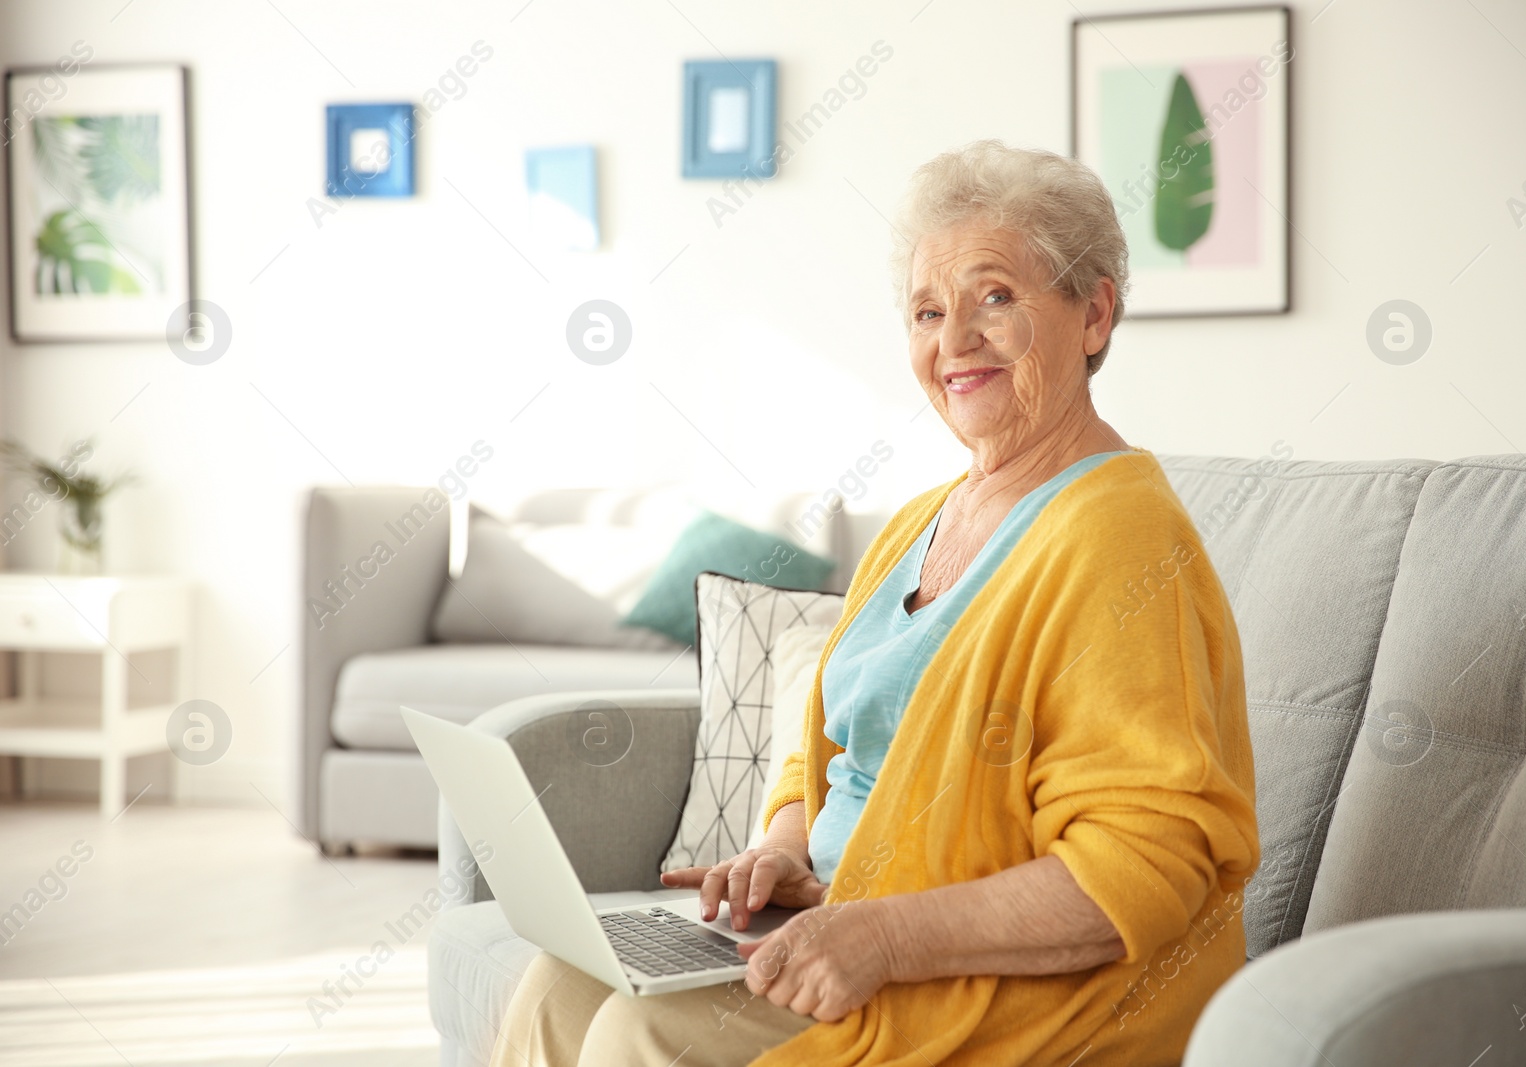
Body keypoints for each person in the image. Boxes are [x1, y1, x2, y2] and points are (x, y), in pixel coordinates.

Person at [492, 139, 1259, 1067]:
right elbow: (830, 752)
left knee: (638, 1030)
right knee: (558, 982)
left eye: (997, 298)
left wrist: (883, 937)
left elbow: (1146, 867)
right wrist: (782, 848)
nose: (955, 341)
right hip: (841, 928)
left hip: (1000, 992)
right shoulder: (918, 524)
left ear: (1093, 313)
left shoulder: (1120, 536)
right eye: (928, 311)